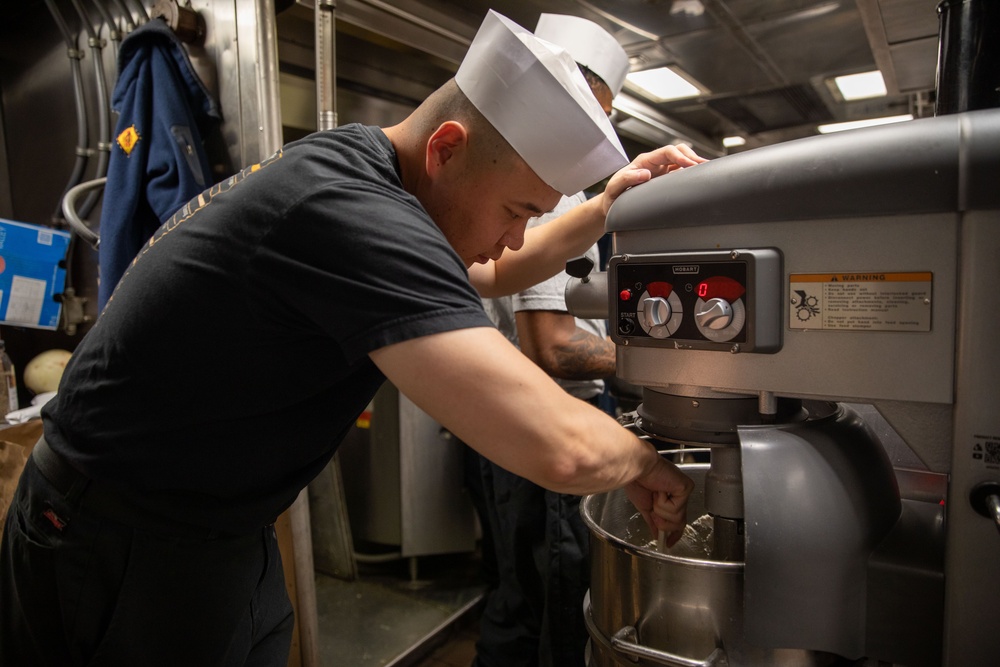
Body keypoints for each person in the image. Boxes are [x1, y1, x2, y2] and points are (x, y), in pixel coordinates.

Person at [0, 10, 701, 667]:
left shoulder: (374, 175)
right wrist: (647, 464)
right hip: (118, 531)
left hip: (212, 521)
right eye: (519, 209)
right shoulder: (352, 209)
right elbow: (563, 446)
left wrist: (605, 208)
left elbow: (494, 267)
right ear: (448, 148)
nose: (514, 236)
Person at [472, 15, 639, 667]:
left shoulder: (548, 181)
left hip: (509, 428)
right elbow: (553, 345)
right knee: (554, 606)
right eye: (598, 111)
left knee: (519, 597)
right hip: (543, 424)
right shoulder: (553, 186)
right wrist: (646, 358)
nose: (600, 131)